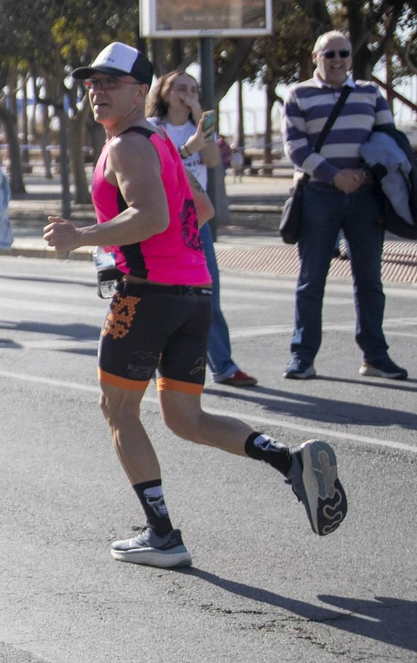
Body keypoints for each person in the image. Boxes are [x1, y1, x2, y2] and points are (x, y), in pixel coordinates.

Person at [44, 42, 347, 569]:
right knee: (186, 418)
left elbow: (152, 215)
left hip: (146, 296)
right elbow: (200, 209)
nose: (97, 90)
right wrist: (146, 249)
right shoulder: (159, 141)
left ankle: (161, 534)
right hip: (193, 296)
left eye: (110, 82)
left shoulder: (126, 147)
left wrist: (84, 237)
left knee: (117, 411)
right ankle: (288, 460)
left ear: (142, 91)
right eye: (92, 82)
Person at [283, 30, 407, 380]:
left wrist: (365, 175)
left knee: (369, 280)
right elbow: (295, 148)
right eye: (329, 54)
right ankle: (302, 357)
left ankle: (375, 356)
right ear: (315, 57)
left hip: (366, 198)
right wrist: (334, 175)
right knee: (311, 280)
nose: (336, 60)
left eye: (343, 53)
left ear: (351, 58)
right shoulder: (298, 94)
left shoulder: (370, 93)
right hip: (319, 195)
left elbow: (388, 141)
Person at [147, 71, 257, 386]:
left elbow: (212, 161)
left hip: (196, 223)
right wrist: (186, 148)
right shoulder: (153, 128)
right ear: (164, 93)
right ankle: (156, 360)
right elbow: (156, 165)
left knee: (208, 294)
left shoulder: (202, 125)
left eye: (193, 89)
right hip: (162, 223)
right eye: (180, 88)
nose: (187, 93)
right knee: (163, 295)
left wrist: (199, 122)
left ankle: (223, 366)